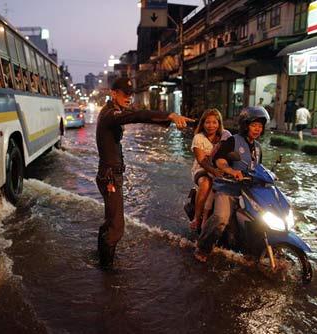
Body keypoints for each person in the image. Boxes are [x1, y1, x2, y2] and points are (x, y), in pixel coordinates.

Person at [96, 77, 193, 268]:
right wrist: (170, 115)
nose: (128, 98)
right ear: (113, 93)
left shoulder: (116, 111)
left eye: (130, 95)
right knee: (116, 227)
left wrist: (169, 119)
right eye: (125, 94)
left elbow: (140, 114)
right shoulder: (110, 114)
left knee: (111, 221)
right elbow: (137, 116)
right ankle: (106, 269)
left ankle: (102, 258)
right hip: (110, 176)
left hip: (112, 174)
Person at [195, 106, 269, 262]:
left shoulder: (258, 148)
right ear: (245, 125)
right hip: (228, 188)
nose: (257, 129)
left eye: (260, 126)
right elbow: (220, 161)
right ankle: (202, 247)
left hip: (248, 191)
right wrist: (230, 170)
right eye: (254, 125)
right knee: (221, 218)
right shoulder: (232, 141)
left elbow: (259, 168)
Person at [189, 109, 230, 233]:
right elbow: (201, 161)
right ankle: (197, 218)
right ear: (203, 123)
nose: (211, 126)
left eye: (214, 122)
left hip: (220, 168)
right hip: (201, 169)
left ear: (219, 124)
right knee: (206, 183)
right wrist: (214, 171)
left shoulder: (226, 135)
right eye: (207, 122)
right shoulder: (199, 138)